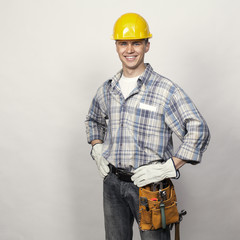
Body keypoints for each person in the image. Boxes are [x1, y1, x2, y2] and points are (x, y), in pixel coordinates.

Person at [85, 13, 210, 240]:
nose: (130, 50)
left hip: (151, 186)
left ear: (147, 46)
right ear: (116, 46)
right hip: (112, 184)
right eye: (123, 43)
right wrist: (97, 147)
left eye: (137, 43)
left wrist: (170, 167)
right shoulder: (107, 89)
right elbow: (93, 119)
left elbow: (199, 129)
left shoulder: (165, 90)